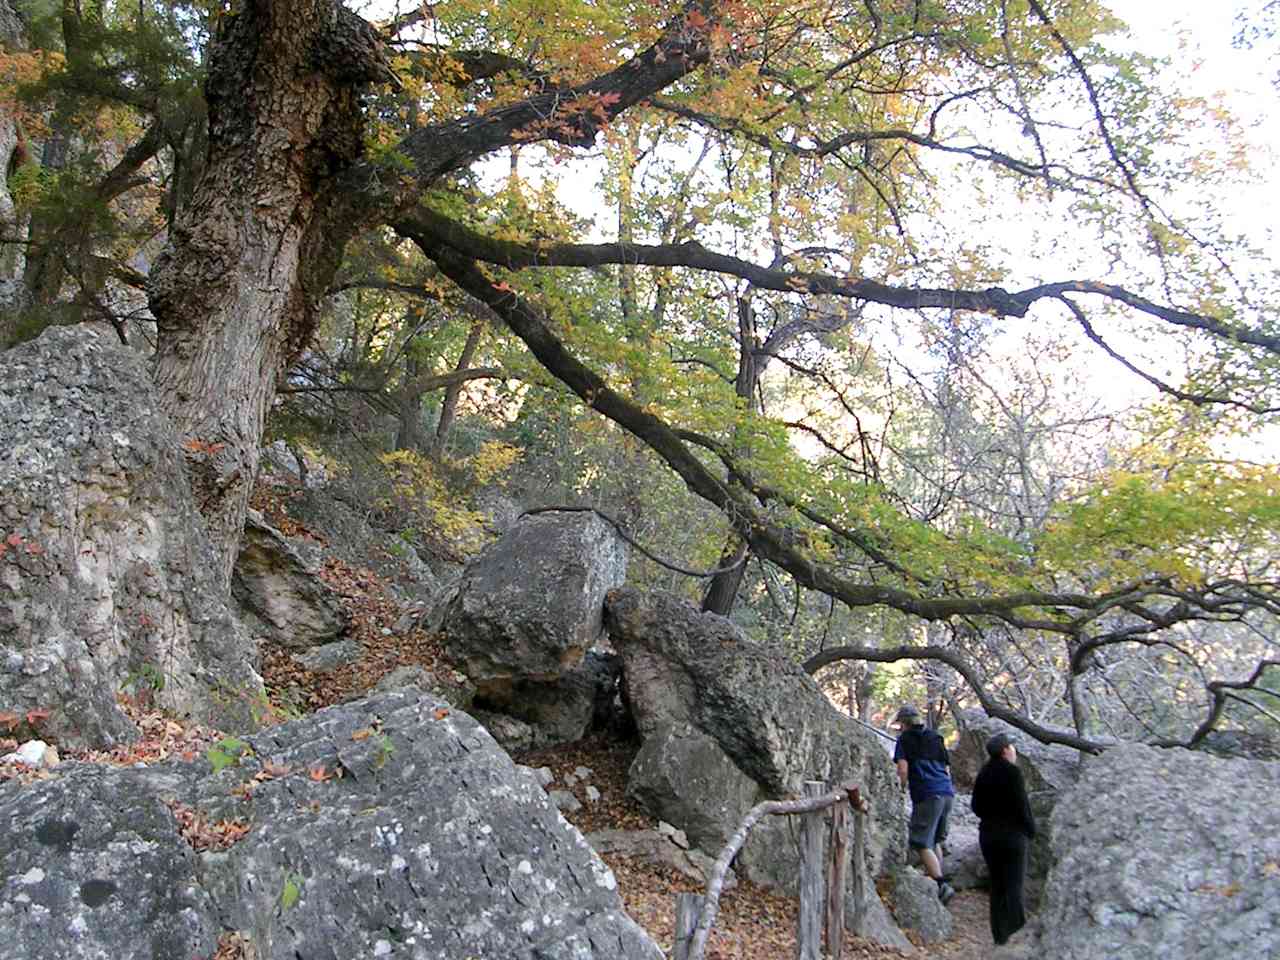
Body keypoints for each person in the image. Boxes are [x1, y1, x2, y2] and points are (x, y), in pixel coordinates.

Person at [971, 732, 1037, 945]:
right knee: (1014, 886)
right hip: (1012, 836)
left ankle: (999, 935)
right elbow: (1022, 806)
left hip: (988, 835)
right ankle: (1018, 934)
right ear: (1006, 750)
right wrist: (1030, 830)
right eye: (1012, 747)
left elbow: (976, 807)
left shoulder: (984, 773)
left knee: (997, 885)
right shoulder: (1013, 773)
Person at [892, 704, 956, 904]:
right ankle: (939, 877)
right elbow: (946, 769)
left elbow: (903, 768)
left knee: (920, 841)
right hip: (946, 793)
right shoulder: (936, 738)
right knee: (935, 839)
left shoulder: (905, 740)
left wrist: (901, 789)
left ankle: (940, 884)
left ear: (903, 724)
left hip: (927, 793)